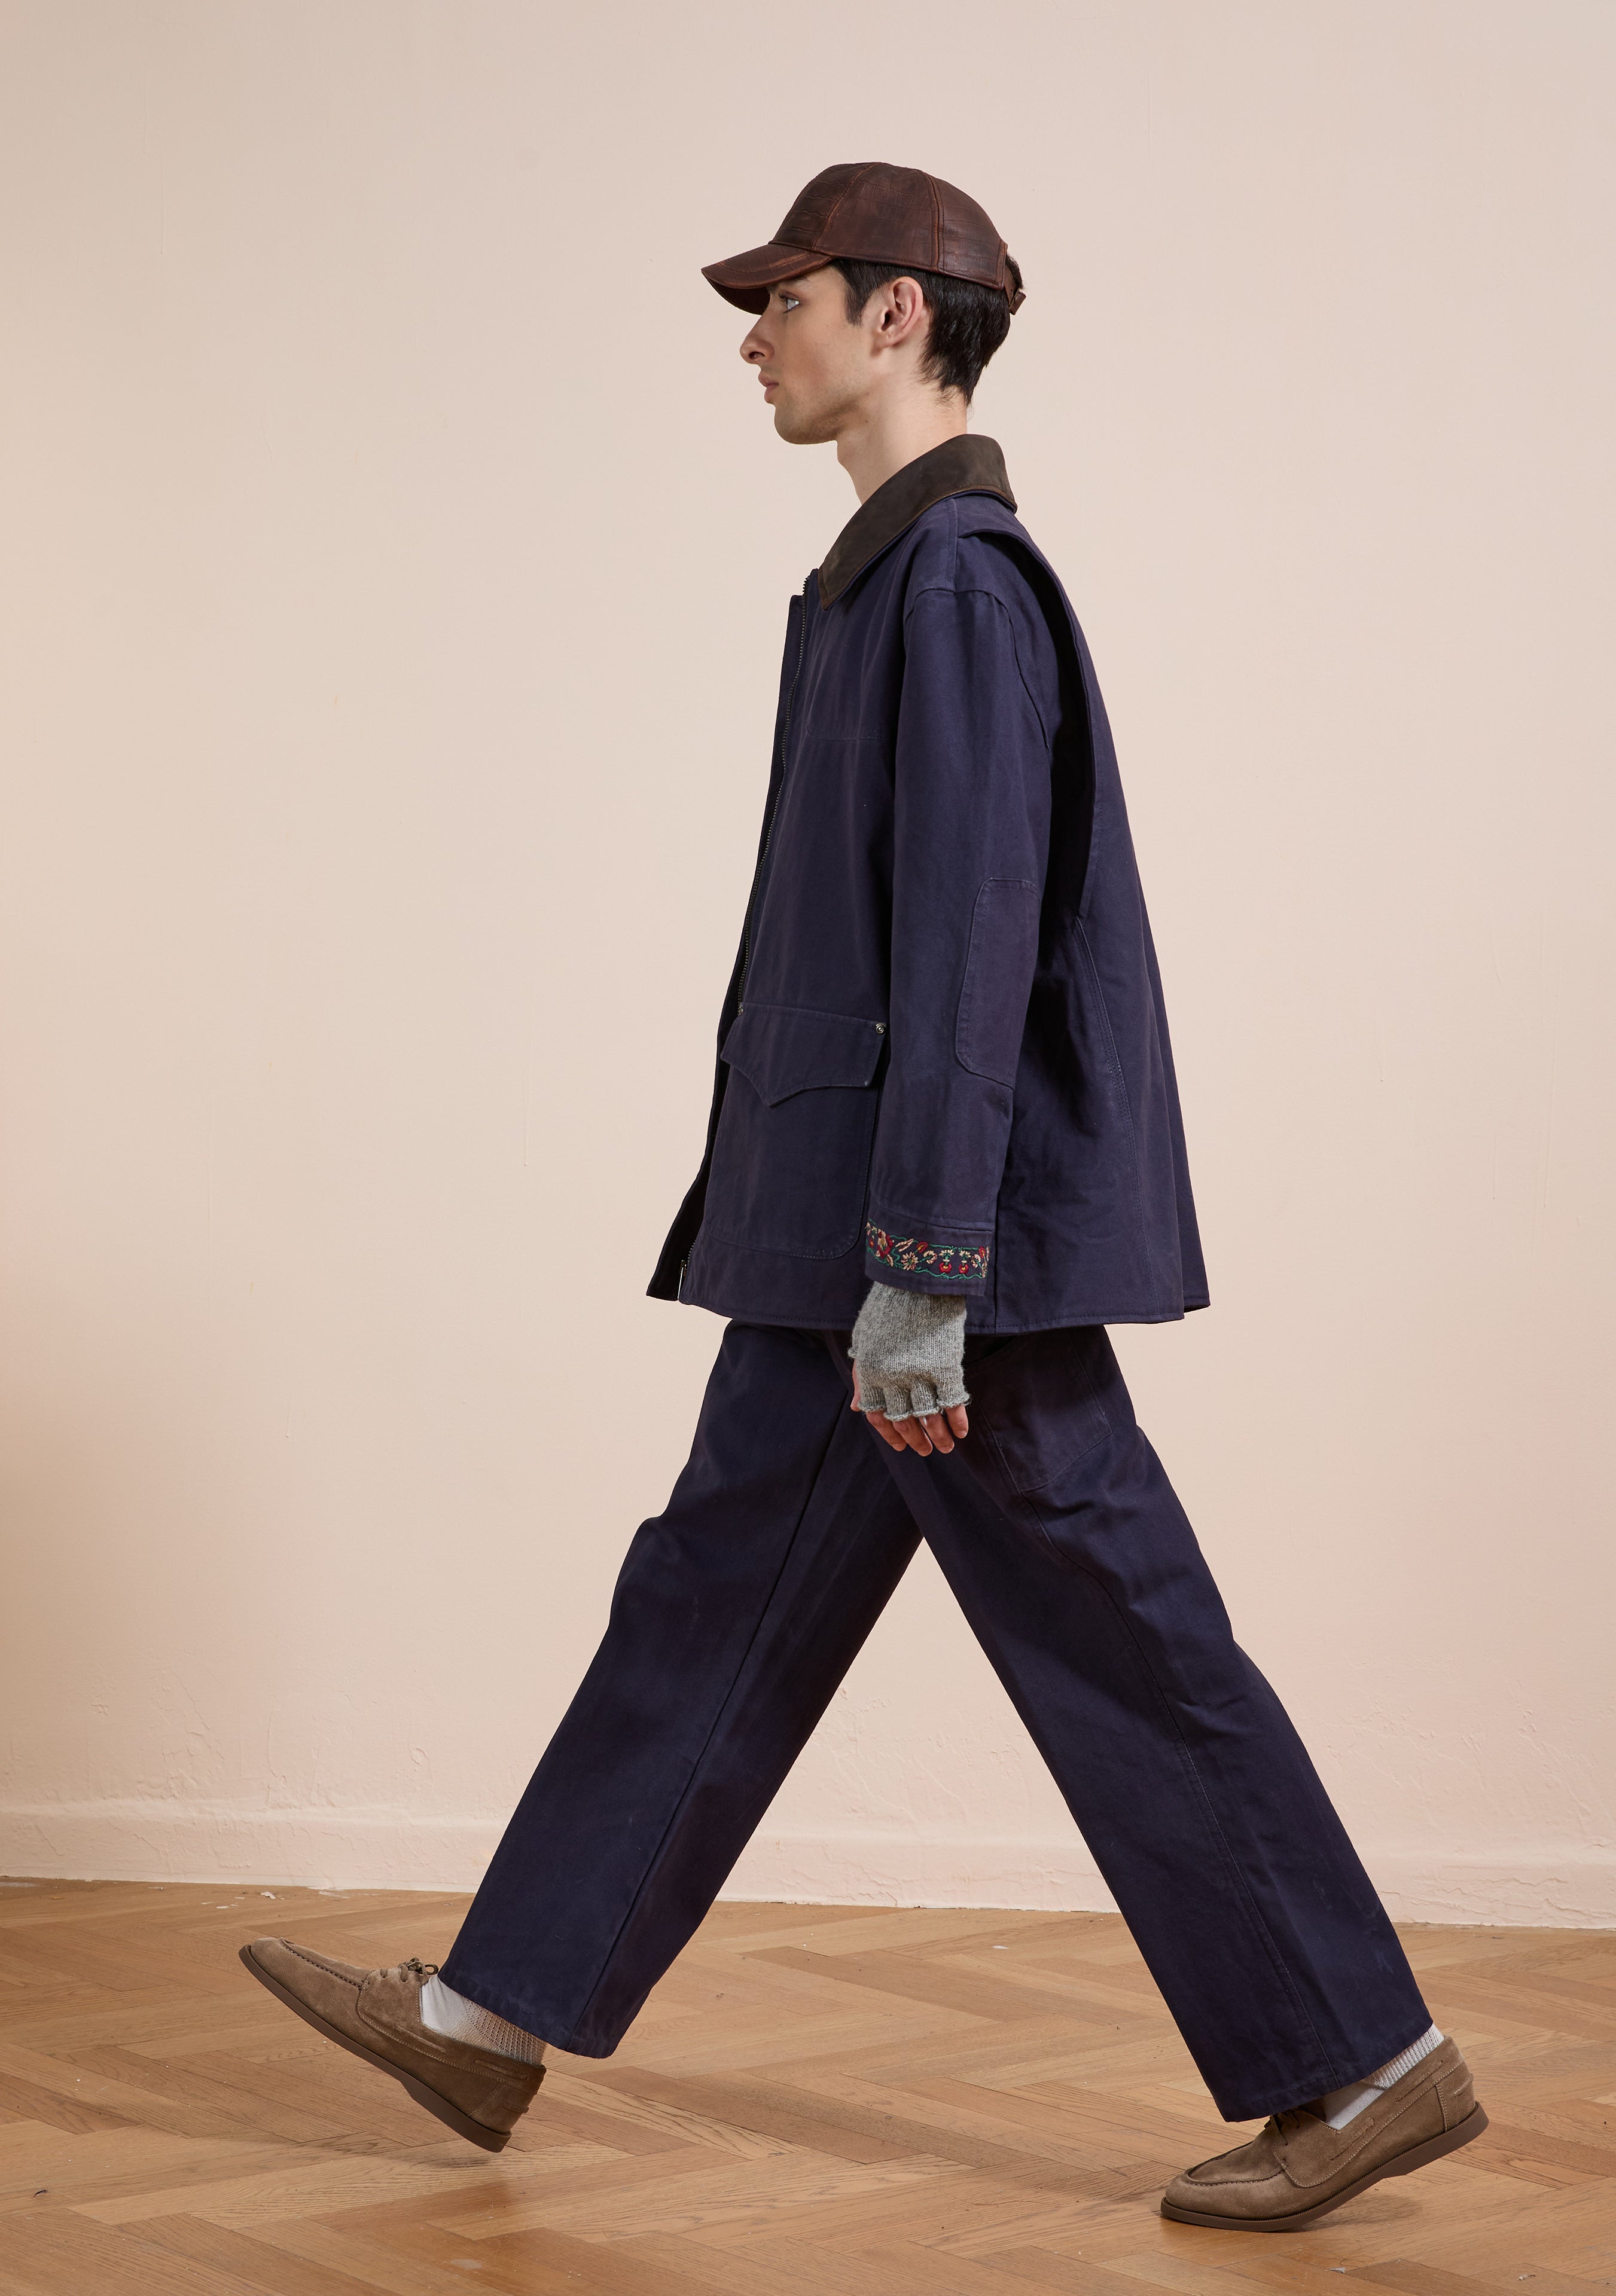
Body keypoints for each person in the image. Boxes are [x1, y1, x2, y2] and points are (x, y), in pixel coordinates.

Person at [243, 162, 1486, 2231]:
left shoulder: (963, 589)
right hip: (854, 1243)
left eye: (783, 298)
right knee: (712, 1592)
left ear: (896, 314)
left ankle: (1365, 2064)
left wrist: (924, 1267)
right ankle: (490, 2019)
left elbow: (971, 948)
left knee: (1118, 1623)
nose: (755, 336)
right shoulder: (884, 584)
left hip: (931, 1259)